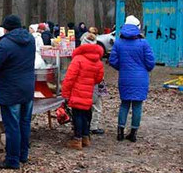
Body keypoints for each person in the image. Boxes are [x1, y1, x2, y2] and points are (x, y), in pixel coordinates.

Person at [0, 15, 35, 169]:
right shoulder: (31, 40)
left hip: (11, 89)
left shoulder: (5, 44)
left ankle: (12, 160)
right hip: (27, 88)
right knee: (24, 123)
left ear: (5, 29)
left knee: (12, 126)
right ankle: (23, 155)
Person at [109, 15, 155, 143]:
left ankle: (120, 132)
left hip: (124, 77)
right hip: (141, 79)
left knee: (124, 104)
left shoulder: (118, 43)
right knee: (137, 105)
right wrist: (144, 69)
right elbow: (150, 62)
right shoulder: (143, 43)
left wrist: (122, 68)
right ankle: (133, 133)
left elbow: (113, 61)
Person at [61, 34, 104, 149]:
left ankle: (77, 140)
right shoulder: (98, 61)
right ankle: (85, 137)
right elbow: (98, 79)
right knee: (86, 114)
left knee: (77, 115)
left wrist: (65, 93)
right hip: (89, 91)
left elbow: (69, 78)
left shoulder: (78, 59)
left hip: (77, 91)